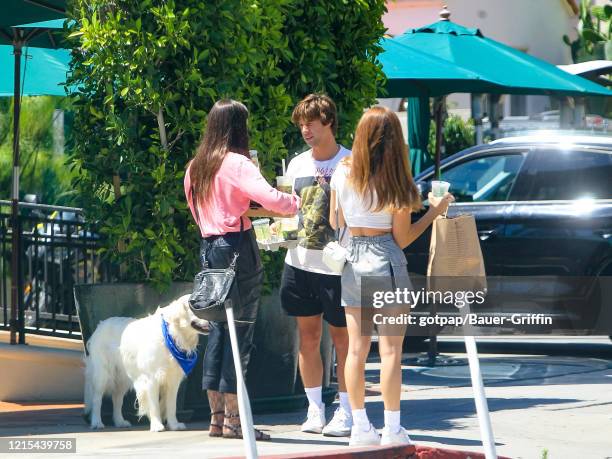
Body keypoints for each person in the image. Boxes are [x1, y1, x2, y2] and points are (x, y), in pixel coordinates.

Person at [329, 106, 453, 446]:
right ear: (393, 140)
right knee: (390, 352)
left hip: (353, 257)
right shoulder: (396, 180)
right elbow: (403, 238)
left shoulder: (342, 173)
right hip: (386, 261)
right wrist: (434, 213)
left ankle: (359, 427)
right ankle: (393, 429)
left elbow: (336, 220)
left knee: (355, 350)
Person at [185, 99, 300, 441]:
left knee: (219, 333)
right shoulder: (237, 163)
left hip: (209, 250)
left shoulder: (196, 165)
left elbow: (197, 209)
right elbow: (272, 199)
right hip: (238, 250)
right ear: (239, 127)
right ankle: (236, 422)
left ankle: (217, 419)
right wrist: (298, 202)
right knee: (241, 335)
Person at [280, 94, 352, 437]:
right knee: (307, 338)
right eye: (300, 124)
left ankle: (347, 410)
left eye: (311, 122)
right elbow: (288, 212)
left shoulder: (351, 163)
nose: (305, 129)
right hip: (298, 261)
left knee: (344, 341)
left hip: (340, 266)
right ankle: (314, 410)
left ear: (329, 122)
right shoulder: (296, 165)